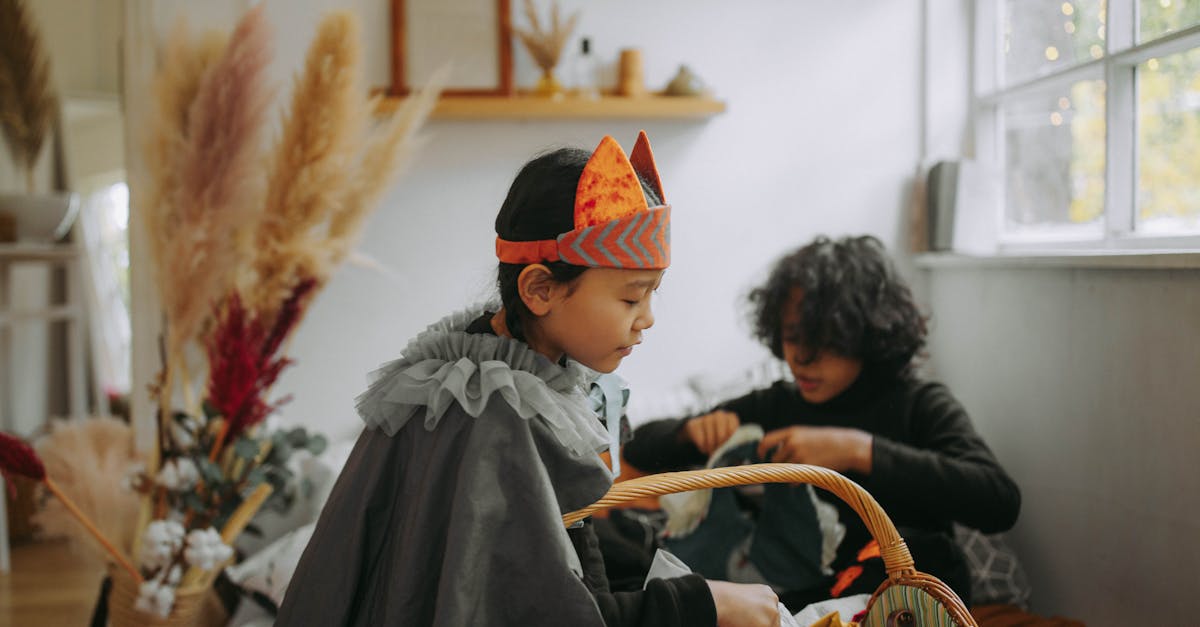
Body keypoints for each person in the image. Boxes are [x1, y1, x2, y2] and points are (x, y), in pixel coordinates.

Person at [275, 133, 781, 626]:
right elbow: (531, 610)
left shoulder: (530, 369)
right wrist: (698, 604)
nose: (647, 317)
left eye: (654, 294)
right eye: (631, 297)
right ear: (539, 289)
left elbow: (561, 554)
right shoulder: (493, 416)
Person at [623, 235, 1021, 609]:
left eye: (827, 341)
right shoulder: (776, 404)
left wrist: (857, 450)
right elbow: (641, 444)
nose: (803, 359)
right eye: (794, 337)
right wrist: (689, 431)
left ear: (869, 334)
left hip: (899, 594)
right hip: (803, 597)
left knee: (933, 555)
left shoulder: (918, 403)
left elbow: (997, 501)